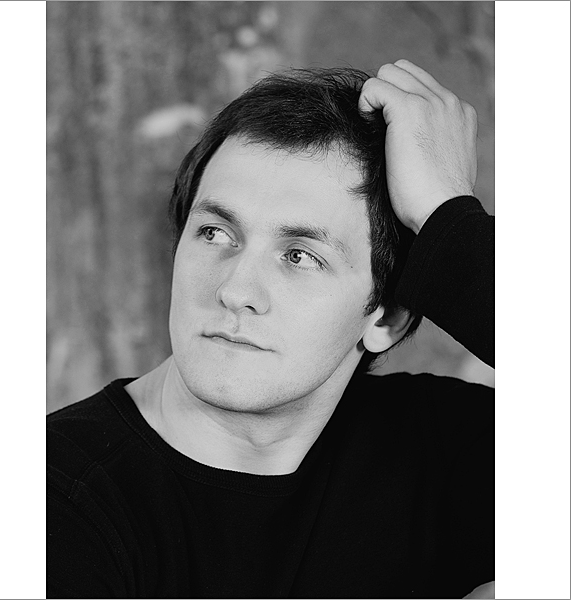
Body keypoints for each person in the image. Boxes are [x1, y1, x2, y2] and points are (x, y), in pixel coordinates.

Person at [47, 60, 494, 599]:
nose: (235, 290)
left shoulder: (449, 451)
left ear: (386, 317)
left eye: (299, 256)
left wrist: (450, 220)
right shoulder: (50, 501)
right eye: (215, 233)